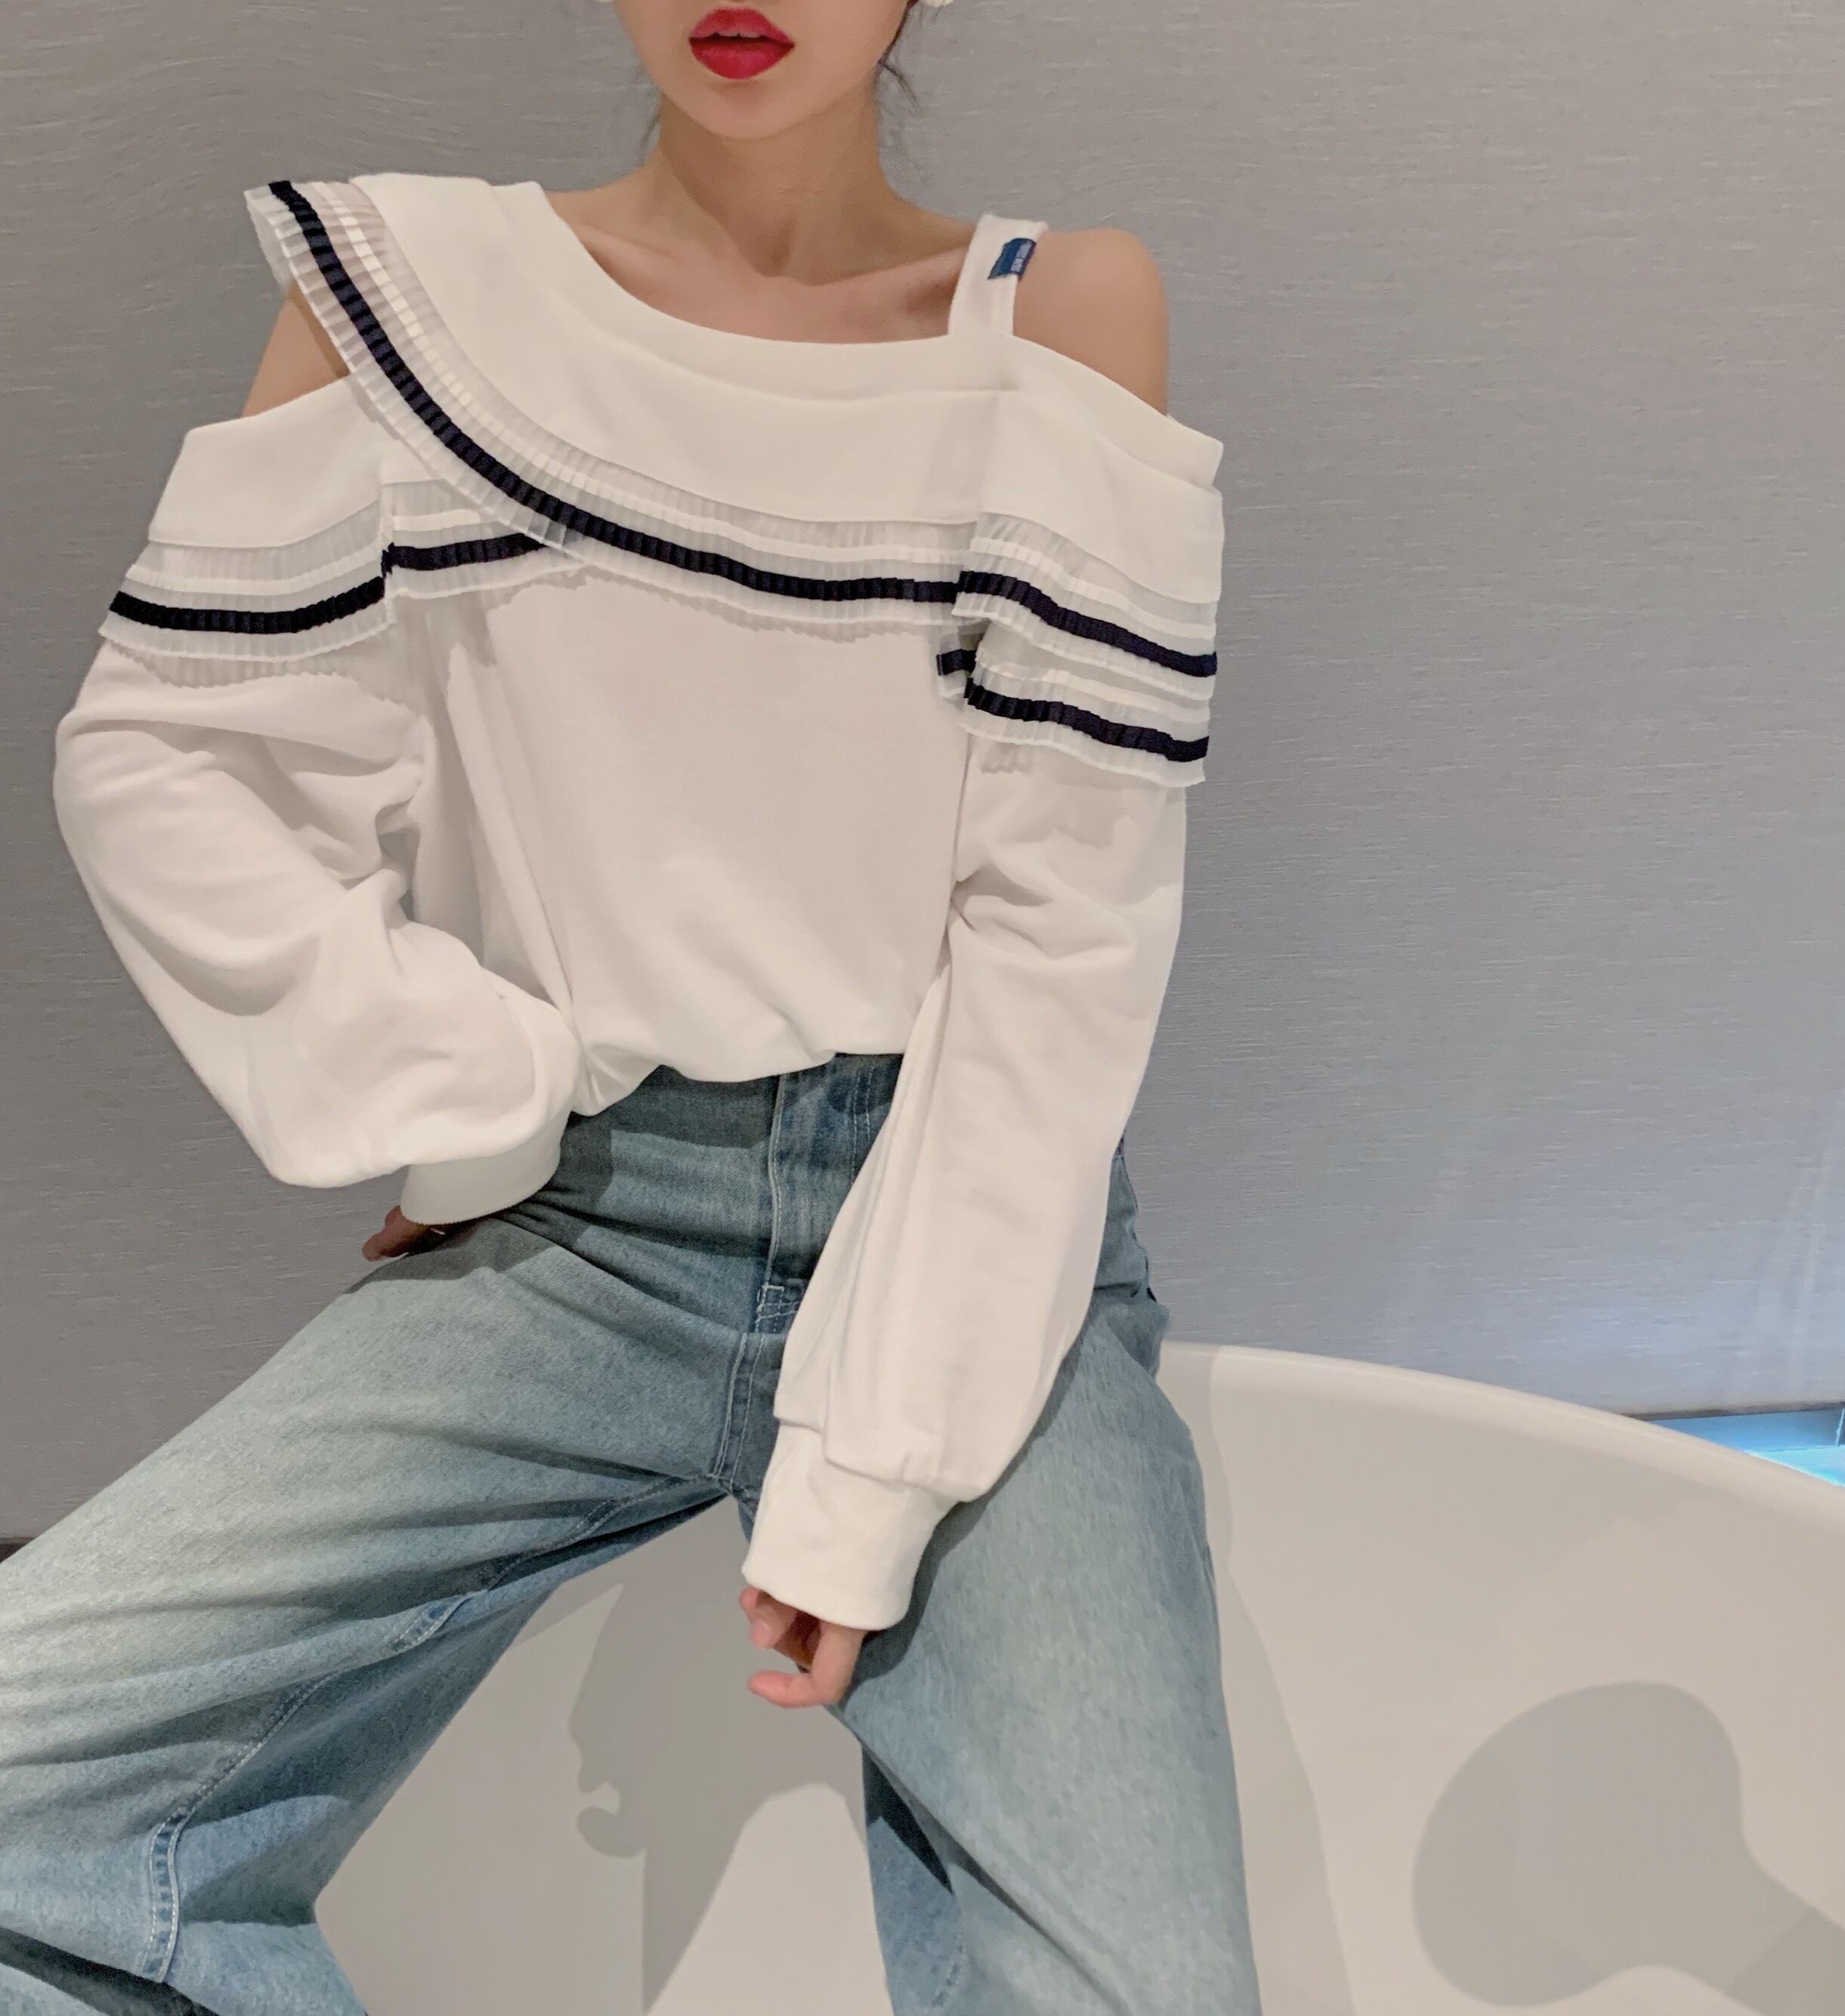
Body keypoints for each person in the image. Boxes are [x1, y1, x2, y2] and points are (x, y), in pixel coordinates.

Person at [0, 2, 1260, 2009]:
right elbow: (167, 754)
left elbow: (1062, 943)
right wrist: (466, 1100)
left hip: (953, 1224)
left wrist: (871, 1478)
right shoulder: (412, 297)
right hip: (579, 1234)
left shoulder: (1059, 322)